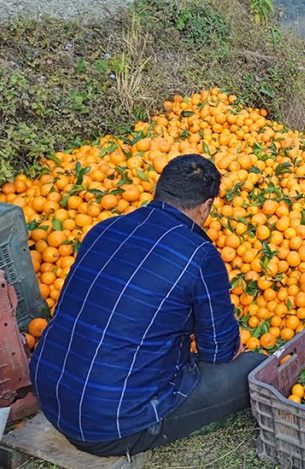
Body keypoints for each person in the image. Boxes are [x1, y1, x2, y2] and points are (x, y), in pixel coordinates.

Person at [29, 154, 265, 457]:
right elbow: (218, 352)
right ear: (206, 207)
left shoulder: (103, 228)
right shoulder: (199, 255)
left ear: (159, 189)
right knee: (256, 367)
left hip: (50, 394)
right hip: (112, 425)